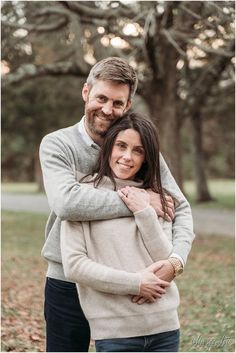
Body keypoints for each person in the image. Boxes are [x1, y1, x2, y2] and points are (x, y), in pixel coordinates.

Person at [39, 57, 194, 352]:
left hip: (129, 282)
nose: (107, 109)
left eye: (118, 103)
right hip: (68, 281)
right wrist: (140, 201)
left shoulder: (137, 146)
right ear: (86, 92)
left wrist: (176, 261)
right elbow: (67, 202)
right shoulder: (58, 144)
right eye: (101, 98)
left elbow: (180, 207)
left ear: (128, 105)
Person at [61, 112, 185, 352]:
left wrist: (145, 212)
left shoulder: (158, 199)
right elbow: (74, 265)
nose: (127, 157)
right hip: (115, 333)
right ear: (108, 147)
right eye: (121, 146)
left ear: (147, 158)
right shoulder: (82, 198)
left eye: (138, 150)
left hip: (165, 327)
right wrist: (136, 283)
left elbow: (165, 258)